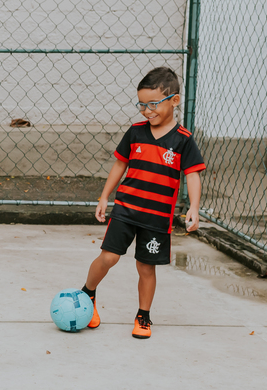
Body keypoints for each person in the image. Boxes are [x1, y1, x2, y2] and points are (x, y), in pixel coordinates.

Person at [81, 66, 205, 339]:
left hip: (157, 217)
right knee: (109, 256)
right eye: (141, 105)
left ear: (174, 100)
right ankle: (87, 295)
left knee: (146, 267)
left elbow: (193, 175)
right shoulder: (136, 132)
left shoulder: (183, 140)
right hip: (126, 208)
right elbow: (120, 165)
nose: (147, 111)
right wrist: (104, 196)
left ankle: (143, 316)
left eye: (153, 104)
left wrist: (194, 207)